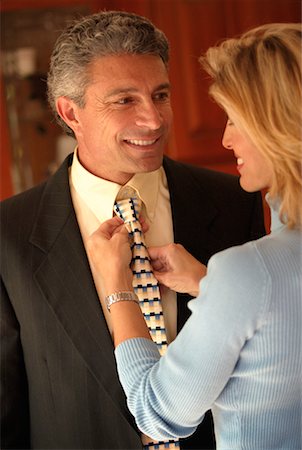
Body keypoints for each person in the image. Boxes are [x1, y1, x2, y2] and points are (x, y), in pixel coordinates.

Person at [0, 11, 266, 450]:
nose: (154, 119)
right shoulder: (9, 235)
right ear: (71, 112)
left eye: (160, 95)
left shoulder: (233, 200)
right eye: (124, 100)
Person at [87, 23, 302, 449]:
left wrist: (118, 290)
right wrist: (209, 284)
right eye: (125, 99)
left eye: (235, 120)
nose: (224, 138)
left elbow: (157, 415)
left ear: (276, 126)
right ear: (71, 112)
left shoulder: (247, 266)